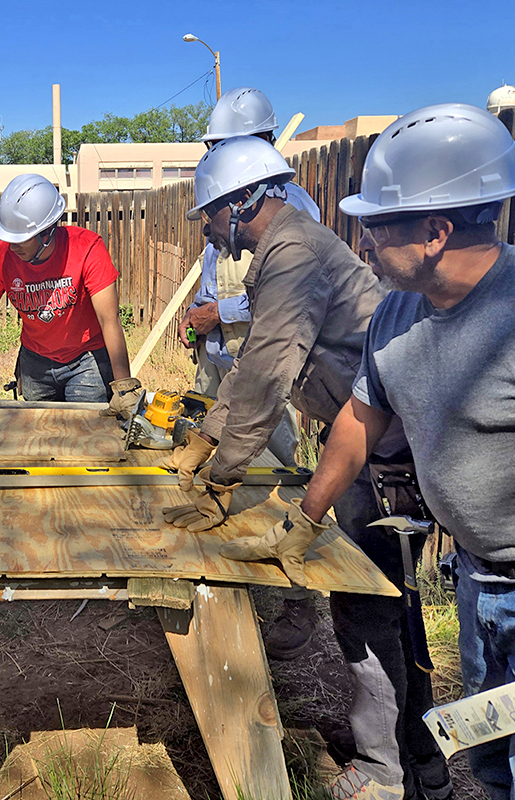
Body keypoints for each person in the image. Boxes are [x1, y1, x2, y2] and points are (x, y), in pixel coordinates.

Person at [229, 102, 515, 800]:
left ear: (435, 231)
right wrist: (305, 519)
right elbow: (359, 420)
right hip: (477, 582)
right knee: (494, 774)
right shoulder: (397, 313)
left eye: (378, 225)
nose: (363, 241)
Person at [159, 135, 450, 800]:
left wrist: (223, 475)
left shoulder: (292, 253)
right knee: (385, 607)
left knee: (372, 607)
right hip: (373, 450)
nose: (206, 228)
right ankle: (414, 757)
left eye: (209, 213)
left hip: (389, 460)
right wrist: (206, 437)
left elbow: (268, 375)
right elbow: (253, 362)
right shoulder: (284, 249)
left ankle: (391, 772)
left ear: (240, 203)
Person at [177, 86, 321, 659]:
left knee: (274, 482)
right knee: (214, 464)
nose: (217, 157)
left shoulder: (292, 215)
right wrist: (201, 316)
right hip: (225, 358)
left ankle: (296, 599)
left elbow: (276, 310)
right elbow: (217, 271)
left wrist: (223, 312)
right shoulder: (227, 201)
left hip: (273, 366)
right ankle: (216, 584)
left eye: (225, 146)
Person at [0, 173, 141, 418]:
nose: (12, 246)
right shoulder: (0, 257)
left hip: (86, 361)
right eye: (8, 238)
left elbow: (109, 319)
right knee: (38, 430)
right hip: (35, 363)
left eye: (21, 239)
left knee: (85, 428)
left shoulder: (87, 248)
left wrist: (124, 387)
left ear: (47, 232)